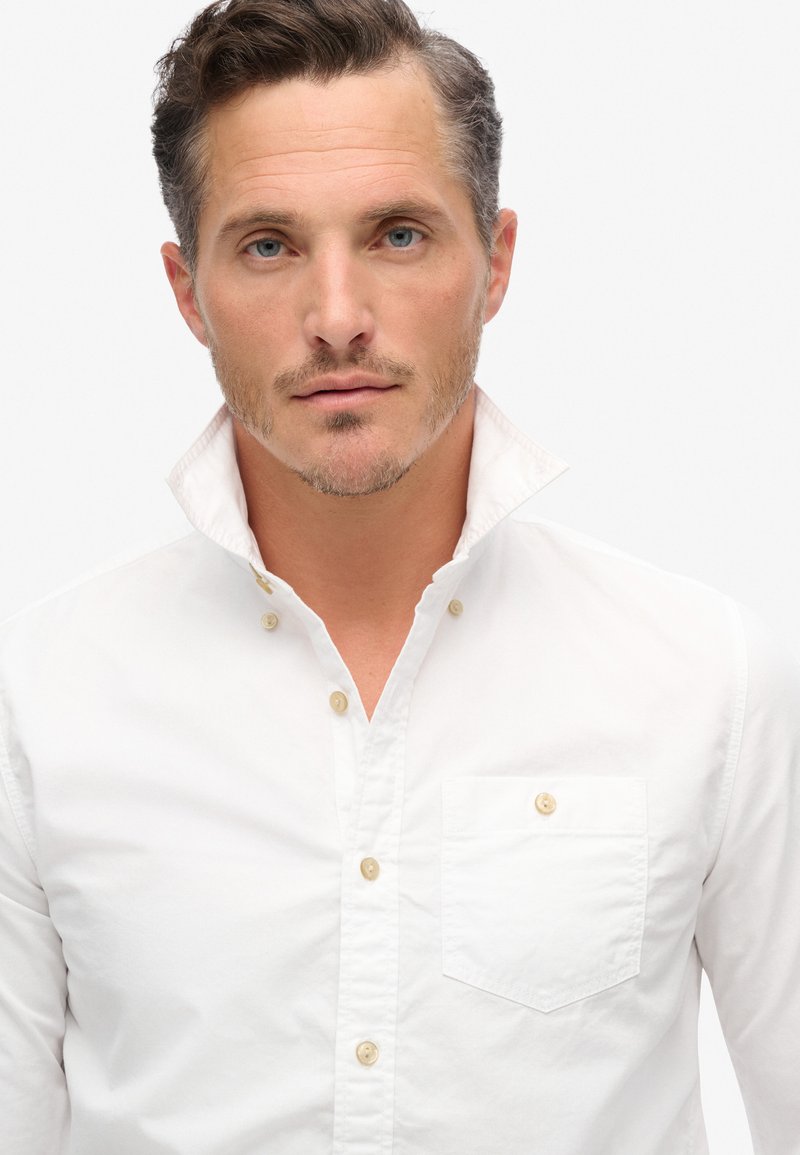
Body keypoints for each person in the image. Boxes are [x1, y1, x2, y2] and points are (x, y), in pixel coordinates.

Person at [0, 0, 797, 1151]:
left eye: (398, 235)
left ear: (495, 262)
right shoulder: (37, 701)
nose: (337, 319)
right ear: (186, 292)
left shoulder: (705, 680)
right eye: (267, 245)